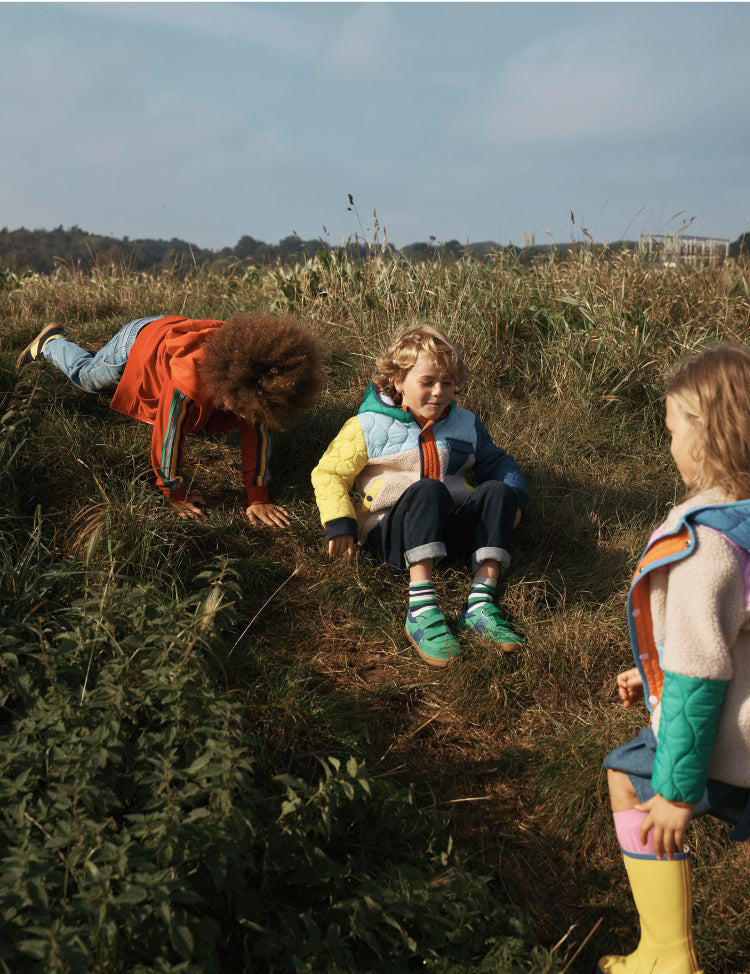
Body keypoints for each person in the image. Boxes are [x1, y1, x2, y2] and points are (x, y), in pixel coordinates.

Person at [598, 344, 750, 974]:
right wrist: (653, 667)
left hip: (730, 738)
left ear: (705, 434)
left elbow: (700, 670)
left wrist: (678, 791)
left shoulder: (703, 543)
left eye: (671, 430)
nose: (669, 448)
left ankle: (665, 955)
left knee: (629, 776)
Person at [311, 324, 529, 667]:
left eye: (448, 383)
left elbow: (495, 460)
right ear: (398, 381)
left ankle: (480, 603)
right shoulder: (367, 425)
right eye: (427, 382)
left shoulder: (465, 423)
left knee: (499, 491)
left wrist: (514, 494)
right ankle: (421, 609)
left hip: (449, 532)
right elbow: (329, 473)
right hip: (394, 536)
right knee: (428, 489)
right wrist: (341, 521)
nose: (439, 392)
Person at [16, 312, 323, 526]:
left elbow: (258, 434)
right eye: (243, 410)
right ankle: (51, 343)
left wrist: (258, 497)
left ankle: (93, 352)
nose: (245, 417)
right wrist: (174, 494)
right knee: (88, 380)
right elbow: (168, 435)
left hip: (169, 333)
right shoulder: (189, 380)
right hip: (137, 342)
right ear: (232, 385)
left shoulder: (259, 380)